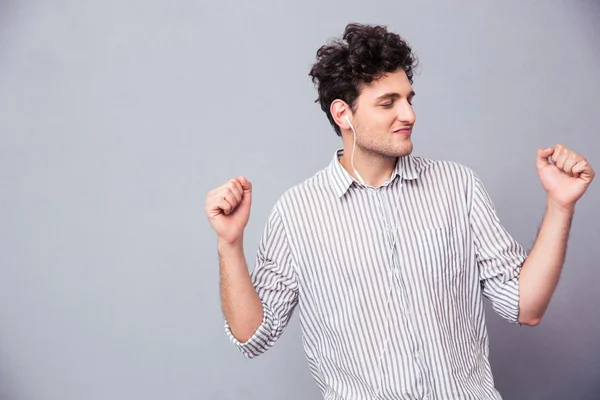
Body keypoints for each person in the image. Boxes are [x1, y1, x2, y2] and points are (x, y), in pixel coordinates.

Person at [204, 23, 595, 400]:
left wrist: (560, 205)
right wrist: (230, 243)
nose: (408, 114)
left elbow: (525, 307)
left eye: (408, 99)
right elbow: (252, 337)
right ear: (343, 114)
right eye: (387, 103)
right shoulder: (296, 214)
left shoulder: (457, 186)